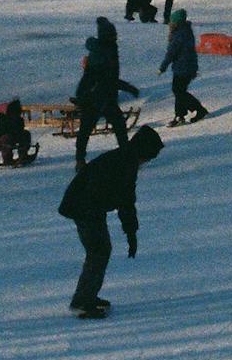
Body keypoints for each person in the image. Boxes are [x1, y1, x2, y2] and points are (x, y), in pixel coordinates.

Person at [58, 124, 164, 318]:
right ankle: (82, 302)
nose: (147, 161)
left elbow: (127, 200)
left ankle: (87, 296)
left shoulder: (126, 159)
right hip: (83, 206)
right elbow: (118, 198)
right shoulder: (123, 162)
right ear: (143, 151)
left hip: (88, 206)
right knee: (98, 251)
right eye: (149, 157)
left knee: (100, 250)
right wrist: (128, 229)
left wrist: (131, 232)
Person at [71, 17, 140, 165]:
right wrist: (129, 88)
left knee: (104, 126)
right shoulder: (106, 52)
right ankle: (81, 159)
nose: (116, 37)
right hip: (96, 96)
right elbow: (108, 78)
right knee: (109, 126)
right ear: (107, 36)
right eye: (113, 34)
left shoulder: (104, 49)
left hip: (100, 95)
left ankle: (80, 158)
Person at [159, 8, 207, 125]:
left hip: (183, 68)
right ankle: (180, 115)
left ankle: (198, 110)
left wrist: (162, 67)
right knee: (179, 91)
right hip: (188, 67)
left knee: (179, 91)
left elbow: (171, 53)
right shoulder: (186, 31)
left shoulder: (179, 35)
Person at [0, 97, 34, 163]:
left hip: (12, 137)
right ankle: (7, 158)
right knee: (7, 138)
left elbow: (20, 129)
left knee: (25, 134)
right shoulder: (0, 117)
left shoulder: (19, 119)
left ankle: (23, 154)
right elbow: (1, 130)